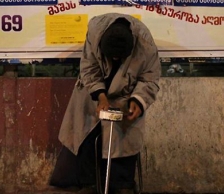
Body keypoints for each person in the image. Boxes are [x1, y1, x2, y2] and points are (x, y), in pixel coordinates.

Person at [50, 13, 161, 194]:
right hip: (93, 94)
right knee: (87, 136)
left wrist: (138, 101)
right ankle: (89, 184)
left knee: (124, 138)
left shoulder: (145, 44)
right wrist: (100, 96)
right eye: (112, 57)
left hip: (127, 95)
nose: (116, 60)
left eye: (120, 58)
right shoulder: (94, 34)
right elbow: (89, 68)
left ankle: (123, 184)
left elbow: (150, 78)